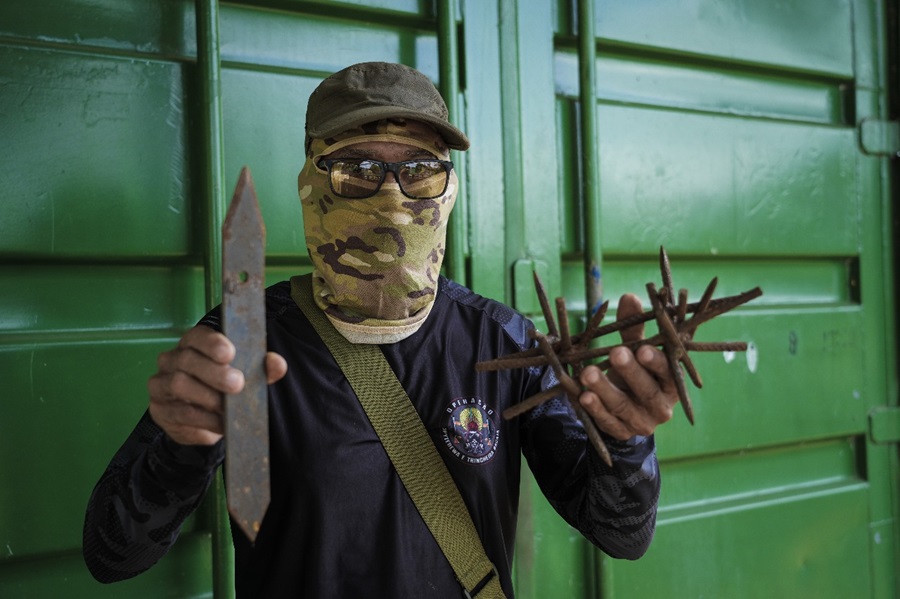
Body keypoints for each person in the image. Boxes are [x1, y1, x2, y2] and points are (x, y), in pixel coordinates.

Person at [83, 61, 678, 598]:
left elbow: (620, 535)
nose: (391, 197)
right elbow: (114, 554)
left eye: (419, 170)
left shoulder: (503, 341)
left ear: (446, 187)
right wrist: (180, 448)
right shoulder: (244, 342)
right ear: (313, 181)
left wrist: (626, 446)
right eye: (356, 169)